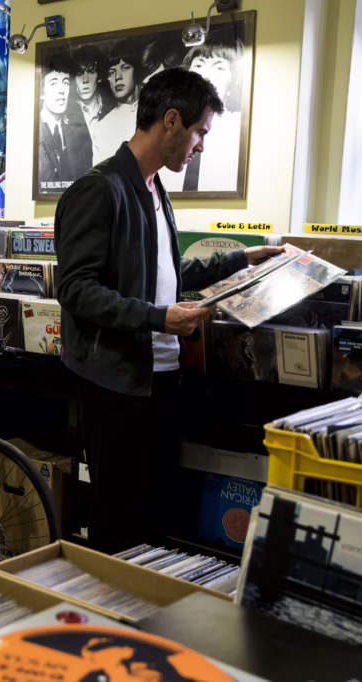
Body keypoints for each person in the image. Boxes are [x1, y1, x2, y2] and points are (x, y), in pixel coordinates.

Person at [54, 68, 282, 553]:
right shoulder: (99, 189)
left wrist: (242, 258)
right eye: (200, 132)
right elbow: (76, 289)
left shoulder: (155, 188)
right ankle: (112, 618)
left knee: (155, 511)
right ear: (172, 121)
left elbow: (164, 271)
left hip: (160, 379)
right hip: (115, 385)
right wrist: (160, 319)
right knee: (118, 517)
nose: (200, 145)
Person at [161, 38, 245, 192]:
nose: (205, 75)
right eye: (199, 65)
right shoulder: (168, 126)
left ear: (233, 81)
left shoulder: (238, 129)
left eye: (219, 68)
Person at [38, 54, 92, 192]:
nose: (61, 90)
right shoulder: (33, 131)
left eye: (66, 82)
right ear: (41, 92)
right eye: (54, 83)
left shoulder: (76, 131)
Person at [91, 46, 144, 166]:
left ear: (136, 71)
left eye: (125, 68)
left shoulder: (156, 114)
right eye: (111, 72)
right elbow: (100, 180)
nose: (117, 77)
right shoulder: (101, 128)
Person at [69, 46, 108, 163]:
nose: (85, 80)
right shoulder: (66, 114)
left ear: (99, 77)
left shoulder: (113, 110)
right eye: (80, 73)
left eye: (91, 72)